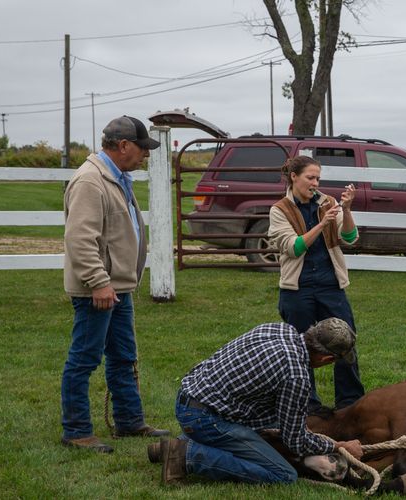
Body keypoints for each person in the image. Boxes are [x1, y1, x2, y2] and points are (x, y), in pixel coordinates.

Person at [61, 116, 169, 453]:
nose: (146, 156)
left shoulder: (115, 177)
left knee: (123, 356)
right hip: (101, 289)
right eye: (142, 149)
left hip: (116, 287)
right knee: (85, 358)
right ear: (123, 146)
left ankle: (129, 421)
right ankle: (77, 431)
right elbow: (80, 239)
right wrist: (98, 282)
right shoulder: (91, 182)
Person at [155, 319, 364, 484]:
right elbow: (295, 440)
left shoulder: (279, 329)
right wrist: (337, 445)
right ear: (326, 359)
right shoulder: (296, 376)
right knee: (283, 475)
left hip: (189, 397)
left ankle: (171, 446)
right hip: (205, 419)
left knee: (268, 425)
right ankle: (188, 455)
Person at [268, 156, 364, 414]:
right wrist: (322, 224)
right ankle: (308, 405)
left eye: (318, 178)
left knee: (346, 340)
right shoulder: (279, 210)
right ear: (294, 177)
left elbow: (351, 238)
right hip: (297, 289)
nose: (315, 183)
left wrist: (346, 209)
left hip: (330, 285)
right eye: (310, 177)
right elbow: (294, 247)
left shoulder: (329, 203)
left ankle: (350, 402)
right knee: (301, 348)